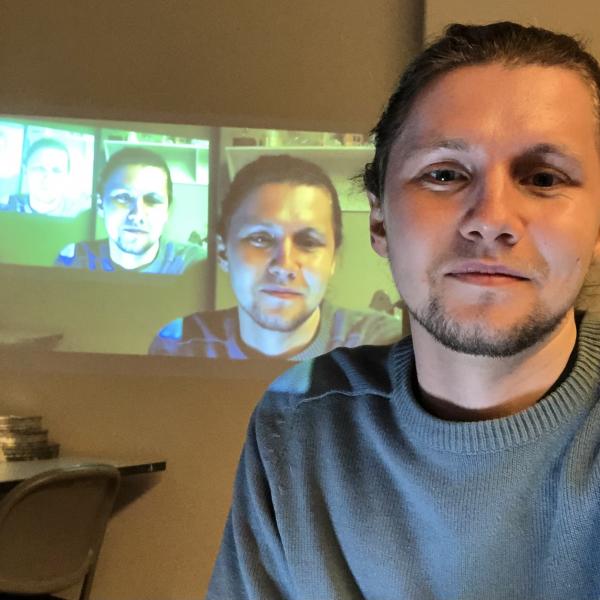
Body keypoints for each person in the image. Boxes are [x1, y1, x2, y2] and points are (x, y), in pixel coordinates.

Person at [206, 22, 600, 599]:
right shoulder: (300, 426)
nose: (491, 218)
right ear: (379, 220)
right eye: (444, 174)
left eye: (543, 178)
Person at [149, 155, 403, 359]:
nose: (284, 266)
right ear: (223, 252)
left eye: (308, 242)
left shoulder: (384, 346)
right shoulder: (179, 345)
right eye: (260, 239)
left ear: (333, 259)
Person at [55, 147, 204, 273]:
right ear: (100, 205)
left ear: (167, 211)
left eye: (152, 200)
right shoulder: (74, 260)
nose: (137, 215)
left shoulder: (195, 264)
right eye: (123, 198)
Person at [2, 137, 77, 216]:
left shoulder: (80, 217)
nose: (48, 178)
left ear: (67, 176)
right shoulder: (6, 209)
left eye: (56, 170)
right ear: (25, 171)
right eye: (40, 169)